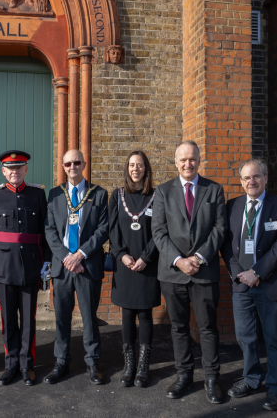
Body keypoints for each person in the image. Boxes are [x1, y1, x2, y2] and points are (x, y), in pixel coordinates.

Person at [152, 140, 226, 404]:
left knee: (207, 328)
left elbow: (219, 229)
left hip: (204, 272)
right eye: (183, 159)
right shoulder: (162, 192)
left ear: (199, 160)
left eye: (192, 159)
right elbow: (158, 232)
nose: (187, 163)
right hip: (172, 273)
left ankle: (211, 379)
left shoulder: (214, 190)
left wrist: (198, 257)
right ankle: (184, 375)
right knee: (179, 327)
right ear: (175, 162)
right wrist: (179, 260)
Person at [221, 158, 277, 411]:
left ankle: (275, 386)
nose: (252, 181)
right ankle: (252, 379)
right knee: (245, 337)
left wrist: (257, 272)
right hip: (241, 284)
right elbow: (226, 245)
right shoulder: (232, 206)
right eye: (247, 178)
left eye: (257, 176)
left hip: (268, 282)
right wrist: (240, 273)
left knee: (273, 338)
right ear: (241, 182)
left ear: (265, 178)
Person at [0, 150, 50, 386]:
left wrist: (47, 263)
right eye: (10, 169)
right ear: (4, 171)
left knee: (28, 320)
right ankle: (10, 365)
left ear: (26, 170)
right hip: (2, 267)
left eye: (19, 168)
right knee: (8, 319)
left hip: (31, 265)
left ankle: (27, 366)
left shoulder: (38, 194)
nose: (15, 172)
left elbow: (46, 231)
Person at [43, 149, 109, 385]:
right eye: (68, 163)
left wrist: (79, 255)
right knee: (62, 317)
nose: (72, 166)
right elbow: (49, 231)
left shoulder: (99, 194)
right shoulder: (54, 195)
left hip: (87, 265)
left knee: (90, 317)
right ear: (63, 167)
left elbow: (103, 230)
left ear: (84, 164)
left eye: (77, 162)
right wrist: (66, 257)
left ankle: (93, 362)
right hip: (62, 268)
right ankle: (61, 361)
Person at [108, 151, 160, 388]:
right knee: (127, 314)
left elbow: (160, 230)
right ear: (127, 168)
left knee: (145, 314)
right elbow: (112, 230)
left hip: (147, 265)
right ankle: (129, 365)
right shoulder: (117, 196)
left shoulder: (157, 196)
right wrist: (123, 255)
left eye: (139, 165)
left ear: (146, 168)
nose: (135, 169)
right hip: (125, 265)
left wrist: (146, 257)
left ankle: (143, 366)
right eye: (131, 165)